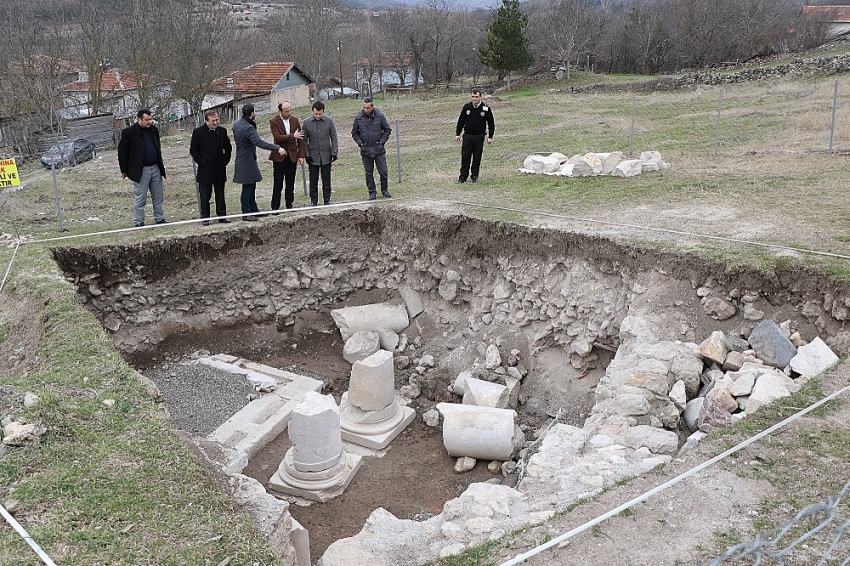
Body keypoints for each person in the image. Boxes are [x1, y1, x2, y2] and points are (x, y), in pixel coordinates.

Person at [232, 103, 285, 221]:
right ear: (252, 113)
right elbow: (259, 143)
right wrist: (277, 148)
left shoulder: (237, 124)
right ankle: (246, 212)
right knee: (248, 187)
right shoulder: (248, 128)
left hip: (243, 158)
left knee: (252, 185)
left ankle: (254, 209)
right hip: (246, 160)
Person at [118, 108, 167, 226]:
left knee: (158, 196)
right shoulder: (129, 133)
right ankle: (139, 221)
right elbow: (122, 152)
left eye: (150, 119)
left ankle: (159, 218)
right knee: (141, 197)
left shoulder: (154, 130)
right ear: (139, 119)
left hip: (155, 167)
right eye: (146, 119)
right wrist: (124, 169)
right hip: (141, 170)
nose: (149, 122)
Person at [189, 111, 232, 225]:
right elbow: (193, 150)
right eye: (213, 121)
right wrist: (201, 162)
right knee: (205, 195)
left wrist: (225, 160)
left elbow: (228, 147)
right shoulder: (198, 132)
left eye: (217, 120)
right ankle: (205, 217)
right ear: (206, 121)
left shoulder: (222, 131)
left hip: (219, 168)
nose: (215, 122)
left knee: (220, 194)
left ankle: (222, 215)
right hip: (205, 170)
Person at [351, 96, 392, 200]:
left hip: (379, 149)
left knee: (383, 171)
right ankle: (372, 192)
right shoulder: (358, 118)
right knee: (369, 173)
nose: (366, 110)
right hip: (366, 150)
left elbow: (387, 130)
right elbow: (354, 133)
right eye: (364, 107)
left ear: (372, 106)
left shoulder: (380, 116)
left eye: (368, 108)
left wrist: (382, 142)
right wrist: (360, 143)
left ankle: (384, 190)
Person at [268, 101, 305, 210]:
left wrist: (301, 155)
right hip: (279, 156)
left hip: (292, 155)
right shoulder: (273, 121)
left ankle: (289, 204)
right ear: (280, 111)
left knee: (290, 182)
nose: (289, 113)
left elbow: (300, 139)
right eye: (286, 111)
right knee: (278, 183)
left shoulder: (295, 120)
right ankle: (275, 206)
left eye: (290, 110)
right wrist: (293, 136)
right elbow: (277, 137)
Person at [454, 88, 495, 184]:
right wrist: (457, 134)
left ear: (481, 97)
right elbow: (461, 121)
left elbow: (491, 123)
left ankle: (474, 176)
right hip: (468, 135)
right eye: (473, 97)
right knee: (465, 156)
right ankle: (462, 177)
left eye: (476, 97)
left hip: (479, 136)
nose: (475, 99)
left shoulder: (485, 108)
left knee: (477, 157)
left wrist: (490, 136)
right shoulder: (467, 107)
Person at [301, 101, 338, 206]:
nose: (318, 116)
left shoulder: (329, 121)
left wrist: (334, 152)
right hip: (313, 156)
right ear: (312, 111)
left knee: (326, 179)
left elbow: (334, 137)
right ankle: (314, 201)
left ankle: (327, 200)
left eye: (320, 114)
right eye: (316, 114)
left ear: (323, 112)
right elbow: (304, 140)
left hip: (326, 155)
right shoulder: (307, 123)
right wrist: (307, 154)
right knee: (313, 180)